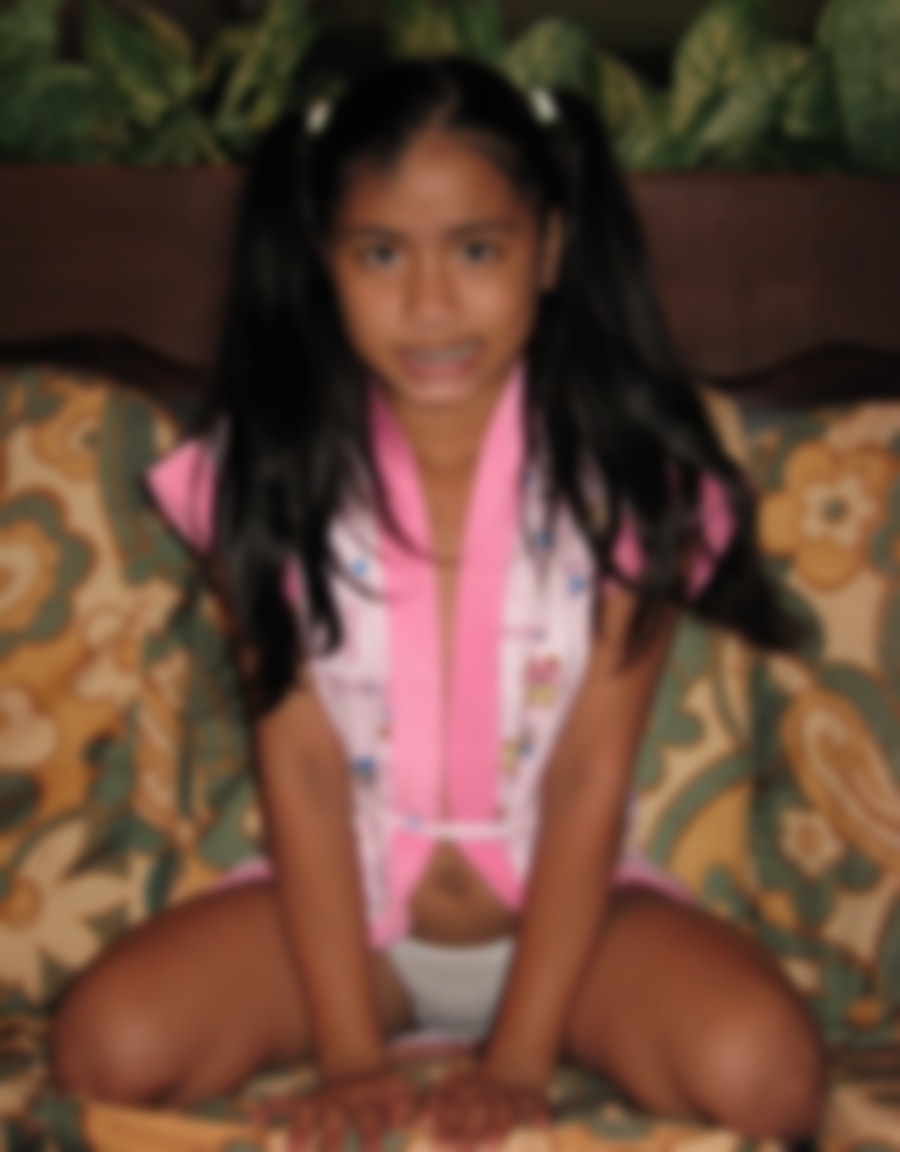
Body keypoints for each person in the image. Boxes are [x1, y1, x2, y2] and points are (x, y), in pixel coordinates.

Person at [51, 55, 824, 1149]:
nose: (430, 306)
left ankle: (546, 1025)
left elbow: (591, 772)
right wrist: (348, 1056)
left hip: (574, 934)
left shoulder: (632, 487)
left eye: (476, 250)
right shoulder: (263, 480)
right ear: (323, 259)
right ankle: (388, 1027)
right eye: (379, 254)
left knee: (769, 1077)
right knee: (106, 1045)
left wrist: (518, 1057)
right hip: (354, 933)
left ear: (548, 249)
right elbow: (301, 767)